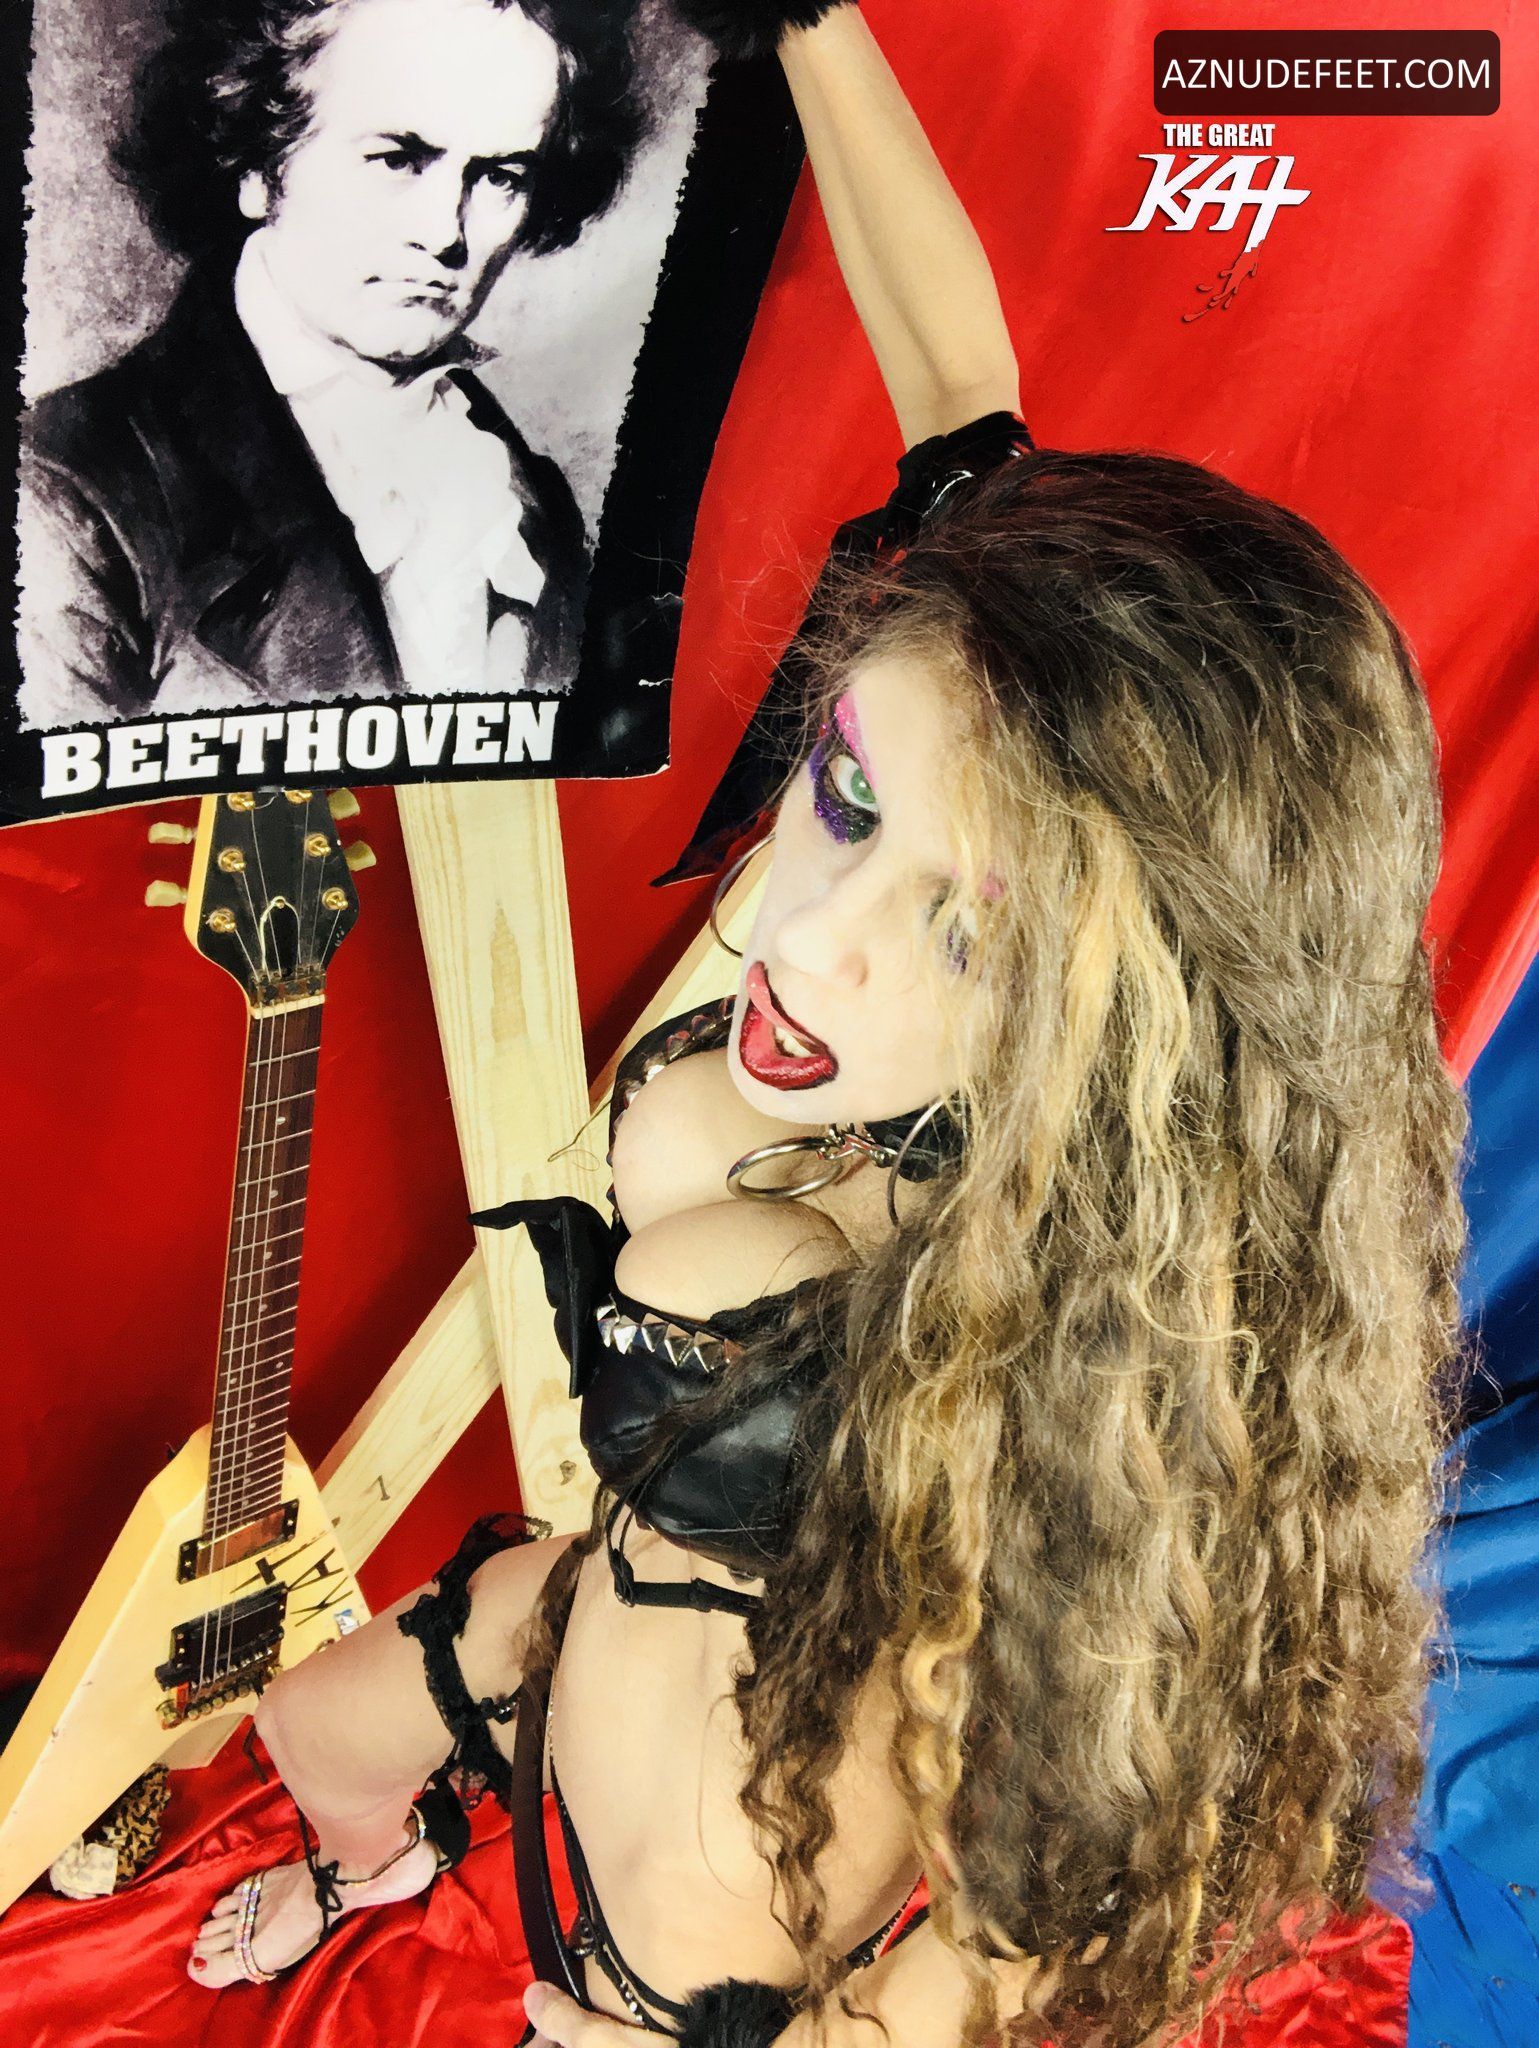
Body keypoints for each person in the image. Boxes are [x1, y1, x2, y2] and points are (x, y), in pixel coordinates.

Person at [184, 6, 1470, 2047]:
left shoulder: (1086, 1376)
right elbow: (954, 370)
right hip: (566, 1611)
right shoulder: (969, 714)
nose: (807, 937)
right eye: (850, 792)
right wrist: (804, 13)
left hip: (693, 1908)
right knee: (308, 1737)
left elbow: (1027, 1940)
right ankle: (377, 1856)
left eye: (970, 933)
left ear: (1140, 1022)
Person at [16, 0, 646, 729]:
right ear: (260, 165)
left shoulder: (526, 502)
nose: (444, 233)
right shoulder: (66, 485)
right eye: (397, 160)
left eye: (501, 176)